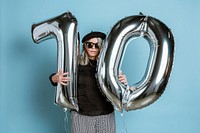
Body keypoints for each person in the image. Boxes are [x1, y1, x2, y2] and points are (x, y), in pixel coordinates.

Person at [49, 31, 128, 133]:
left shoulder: (108, 66)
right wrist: (54, 78)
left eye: (97, 45)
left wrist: (123, 82)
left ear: (101, 47)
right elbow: (58, 78)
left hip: (105, 114)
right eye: (90, 45)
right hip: (81, 115)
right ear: (84, 46)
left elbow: (118, 86)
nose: (93, 48)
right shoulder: (75, 64)